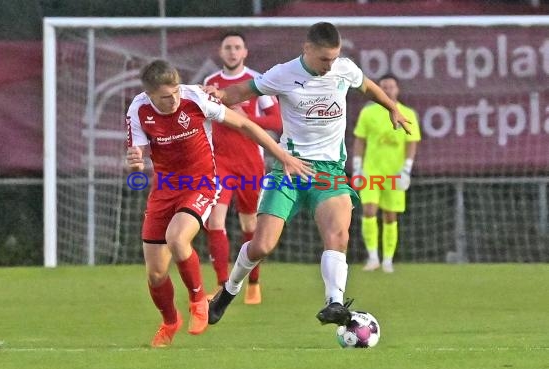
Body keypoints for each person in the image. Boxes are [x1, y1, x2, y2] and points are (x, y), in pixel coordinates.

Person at [206, 22, 412, 327]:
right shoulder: (283, 73)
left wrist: (391, 107)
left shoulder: (343, 69)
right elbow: (243, 90)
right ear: (307, 50)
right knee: (262, 245)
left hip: (328, 171)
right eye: (324, 59)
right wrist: (217, 94)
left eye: (334, 58)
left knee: (338, 235)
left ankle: (335, 303)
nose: (330, 66)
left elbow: (367, 86)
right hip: (289, 167)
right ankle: (229, 290)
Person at [125, 59, 312, 347]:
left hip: (201, 181)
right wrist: (135, 161)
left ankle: (199, 300)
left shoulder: (195, 98)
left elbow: (244, 124)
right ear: (149, 95)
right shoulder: (138, 109)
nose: (174, 99)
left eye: (175, 92)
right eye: (165, 96)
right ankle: (170, 321)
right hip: (164, 187)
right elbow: (136, 152)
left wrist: (282, 155)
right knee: (155, 273)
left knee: (177, 238)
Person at [203, 31, 283, 305]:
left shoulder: (257, 82)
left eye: (237, 47)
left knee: (250, 224)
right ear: (221, 51)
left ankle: (253, 282)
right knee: (215, 221)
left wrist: (247, 118)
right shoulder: (210, 83)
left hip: (250, 163)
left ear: (245, 52)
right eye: (228, 47)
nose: (233, 52)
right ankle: (221, 285)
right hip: (220, 162)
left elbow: (277, 121)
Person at [352, 74, 421, 273]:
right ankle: (373, 256)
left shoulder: (407, 113)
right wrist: (357, 166)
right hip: (371, 171)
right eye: (384, 87)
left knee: (390, 216)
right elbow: (360, 140)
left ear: (397, 89)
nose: (388, 90)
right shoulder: (369, 113)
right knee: (369, 211)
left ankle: (388, 259)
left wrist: (406, 169)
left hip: (394, 174)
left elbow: (411, 143)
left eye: (391, 87)